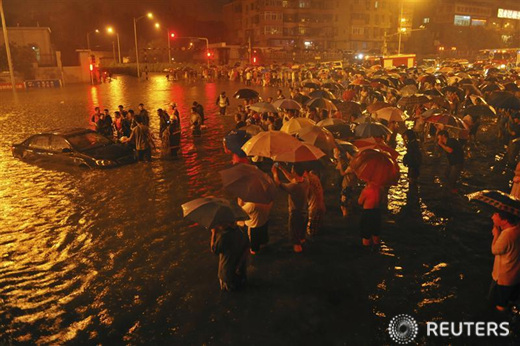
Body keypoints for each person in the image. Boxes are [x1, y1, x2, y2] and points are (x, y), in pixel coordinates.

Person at [271, 163, 309, 253]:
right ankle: (302, 240)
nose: (291, 171)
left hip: (295, 212)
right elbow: (292, 178)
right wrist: (281, 168)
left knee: (294, 230)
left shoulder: (294, 186)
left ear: (295, 172)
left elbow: (278, 183)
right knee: (302, 229)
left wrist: (274, 172)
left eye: (292, 170)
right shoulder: (306, 181)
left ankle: (298, 248)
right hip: (304, 210)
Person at [489, 211, 520, 311]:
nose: (492, 217)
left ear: (505, 220)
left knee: (500, 304)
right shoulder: (517, 228)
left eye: (496, 215)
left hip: (503, 279)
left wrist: (496, 235)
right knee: (512, 299)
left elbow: (495, 250)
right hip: (515, 276)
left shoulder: (506, 235)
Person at [211, 222, 250, 291]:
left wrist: (213, 233)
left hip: (227, 273)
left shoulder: (223, 236)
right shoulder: (243, 230)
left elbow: (214, 250)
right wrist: (239, 265)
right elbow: (247, 248)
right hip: (241, 269)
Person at [437, 130, 464, 194]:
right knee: (446, 174)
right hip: (451, 162)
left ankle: (453, 192)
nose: (437, 137)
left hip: (457, 162)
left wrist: (440, 144)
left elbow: (450, 150)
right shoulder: (446, 143)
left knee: (452, 177)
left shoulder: (451, 141)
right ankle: (448, 188)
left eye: (439, 136)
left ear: (443, 136)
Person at [358, 182, 383, 247]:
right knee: (376, 234)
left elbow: (360, 202)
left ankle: (367, 252)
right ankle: (376, 251)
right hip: (377, 213)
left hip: (367, 213)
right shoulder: (380, 190)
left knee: (366, 235)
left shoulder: (366, 190)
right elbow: (381, 201)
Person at [305, 169, 326, 237]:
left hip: (314, 209)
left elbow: (305, 194)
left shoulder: (307, 180)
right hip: (321, 207)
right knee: (318, 232)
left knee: (311, 232)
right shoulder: (315, 177)